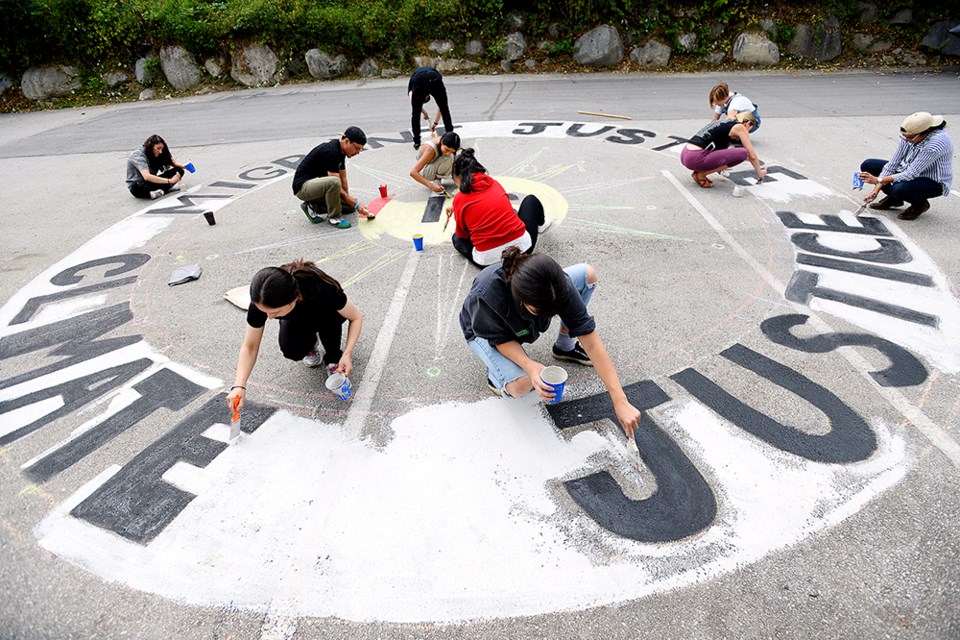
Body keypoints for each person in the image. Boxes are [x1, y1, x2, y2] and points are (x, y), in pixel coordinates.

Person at [459, 246, 641, 438]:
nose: (550, 316)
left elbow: (592, 343)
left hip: (530, 303)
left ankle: (564, 346)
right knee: (520, 385)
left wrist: (620, 400)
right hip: (484, 331)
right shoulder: (488, 294)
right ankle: (496, 375)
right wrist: (529, 366)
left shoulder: (556, 285)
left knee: (588, 275)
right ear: (521, 300)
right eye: (540, 312)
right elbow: (500, 340)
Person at [226, 259, 363, 411]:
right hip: (295, 317)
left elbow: (356, 317)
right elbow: (250, 346)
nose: (270, 317)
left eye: (275, 313)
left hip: (325, 312)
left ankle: (333, 356)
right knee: (291, 349)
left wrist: (348, 353)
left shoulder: (322, 288)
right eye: (266, 312)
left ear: (295, 298)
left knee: (327, 322)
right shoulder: (262, 301)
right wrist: (239, 385)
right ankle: (310, 344)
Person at [446, 149, 548, 268]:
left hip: (490, 264)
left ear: (458, 177)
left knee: (457, 238)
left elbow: (462, 234)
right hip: (523, 251)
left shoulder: (460, 198)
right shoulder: (494, 184)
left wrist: (460, 209)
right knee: (531, 200)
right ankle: (542, 224)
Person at [859, 112, 954, 221]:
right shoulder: (909, 135)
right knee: (869, 165)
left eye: (910, 138)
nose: (906, 140)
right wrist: (875, 191)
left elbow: (911, 173)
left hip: (932, 181)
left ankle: (920, 205)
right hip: (907, 169)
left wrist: (878, 180)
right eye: (904, 137)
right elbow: (892, 164)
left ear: (923, 133)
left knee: (898, 189)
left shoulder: (936, 144)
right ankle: (895, 199)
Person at [292, 127, 371, 229]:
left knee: (349, 207)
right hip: (303, 187)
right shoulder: (331, 151)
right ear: (347, 141)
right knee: (334, 182)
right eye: (357, 148)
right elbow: (336, 183)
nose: (358, 152)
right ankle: (334, 218)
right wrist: (356, 204)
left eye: (360, 149)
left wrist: (351, 202)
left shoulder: (341, 151)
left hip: (318, 186)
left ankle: (312, 206)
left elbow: (343, 178)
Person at [681, 111, 767, 189]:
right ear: (747, 123)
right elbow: (752, 156)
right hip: (695, 157)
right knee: (743, 153)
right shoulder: (740, 127)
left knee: (731, 153)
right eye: (750, 129)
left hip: (685, 154)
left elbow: (717, 148)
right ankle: (701, 174)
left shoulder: (725, 123)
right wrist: (760, 173)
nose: (748, 132)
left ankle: (699, 171)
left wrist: (718, 166)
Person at [126, 134, 186, 199]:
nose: (160, 151)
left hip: (152, 182)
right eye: (158, 148)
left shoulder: (158, 152)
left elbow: (171, 162)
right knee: (137, 186)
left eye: (162, 149)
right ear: (151, 146)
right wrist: (170, 181)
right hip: (140, 184)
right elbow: (147, 176)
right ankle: (158, 191)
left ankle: (159, 191)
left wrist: (184, 166)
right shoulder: (138, 155)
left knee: (179, 170)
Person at [408, 66, 453, 150]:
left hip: (420, 79)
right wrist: (426, 114)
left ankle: (417, 141)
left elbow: (413, 103)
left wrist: (426, 115)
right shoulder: (416, 81)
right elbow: (441, 107)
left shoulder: (413, 84)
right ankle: (450, 135)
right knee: (445, 109)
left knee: (415, 114)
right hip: (434, 77)